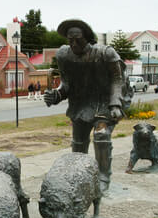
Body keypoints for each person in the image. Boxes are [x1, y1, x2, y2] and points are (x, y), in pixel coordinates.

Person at [44, 19, 124, 189]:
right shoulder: (64, 56)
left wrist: (115, 104)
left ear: (87, 37)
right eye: (70, 40)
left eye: (77, 39)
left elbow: (118, 79)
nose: (73, 43)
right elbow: (66, 85)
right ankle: (78, 173)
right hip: (80, 105)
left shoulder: (105, 53)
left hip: (103, 103)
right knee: (78, 142)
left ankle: (103, 177)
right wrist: (56, 95)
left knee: (101, 135)